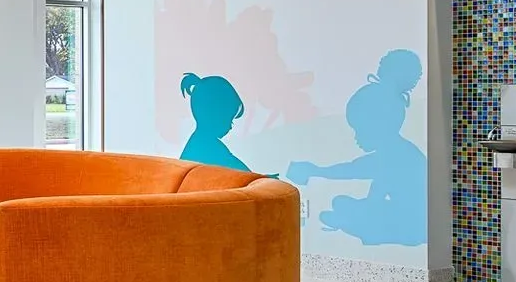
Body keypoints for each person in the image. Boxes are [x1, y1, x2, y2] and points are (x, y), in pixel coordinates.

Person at [285, 52, 426, 246]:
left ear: (380, 125)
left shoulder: (396, 157)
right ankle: (355, 221)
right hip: (405, 218)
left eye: (360, 129)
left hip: (413, 227)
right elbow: (358, 173)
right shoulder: (396, 152)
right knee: (341, 203)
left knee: (348, 208)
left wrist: (316, 171)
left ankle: (361, 227)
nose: (356, 137)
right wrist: (316, 170)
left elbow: (358, 176)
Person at [179, 73, 251, 171]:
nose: (230, 127)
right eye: (229, 121)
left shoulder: (201, 141)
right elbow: (240, 171)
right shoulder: (207, 145)